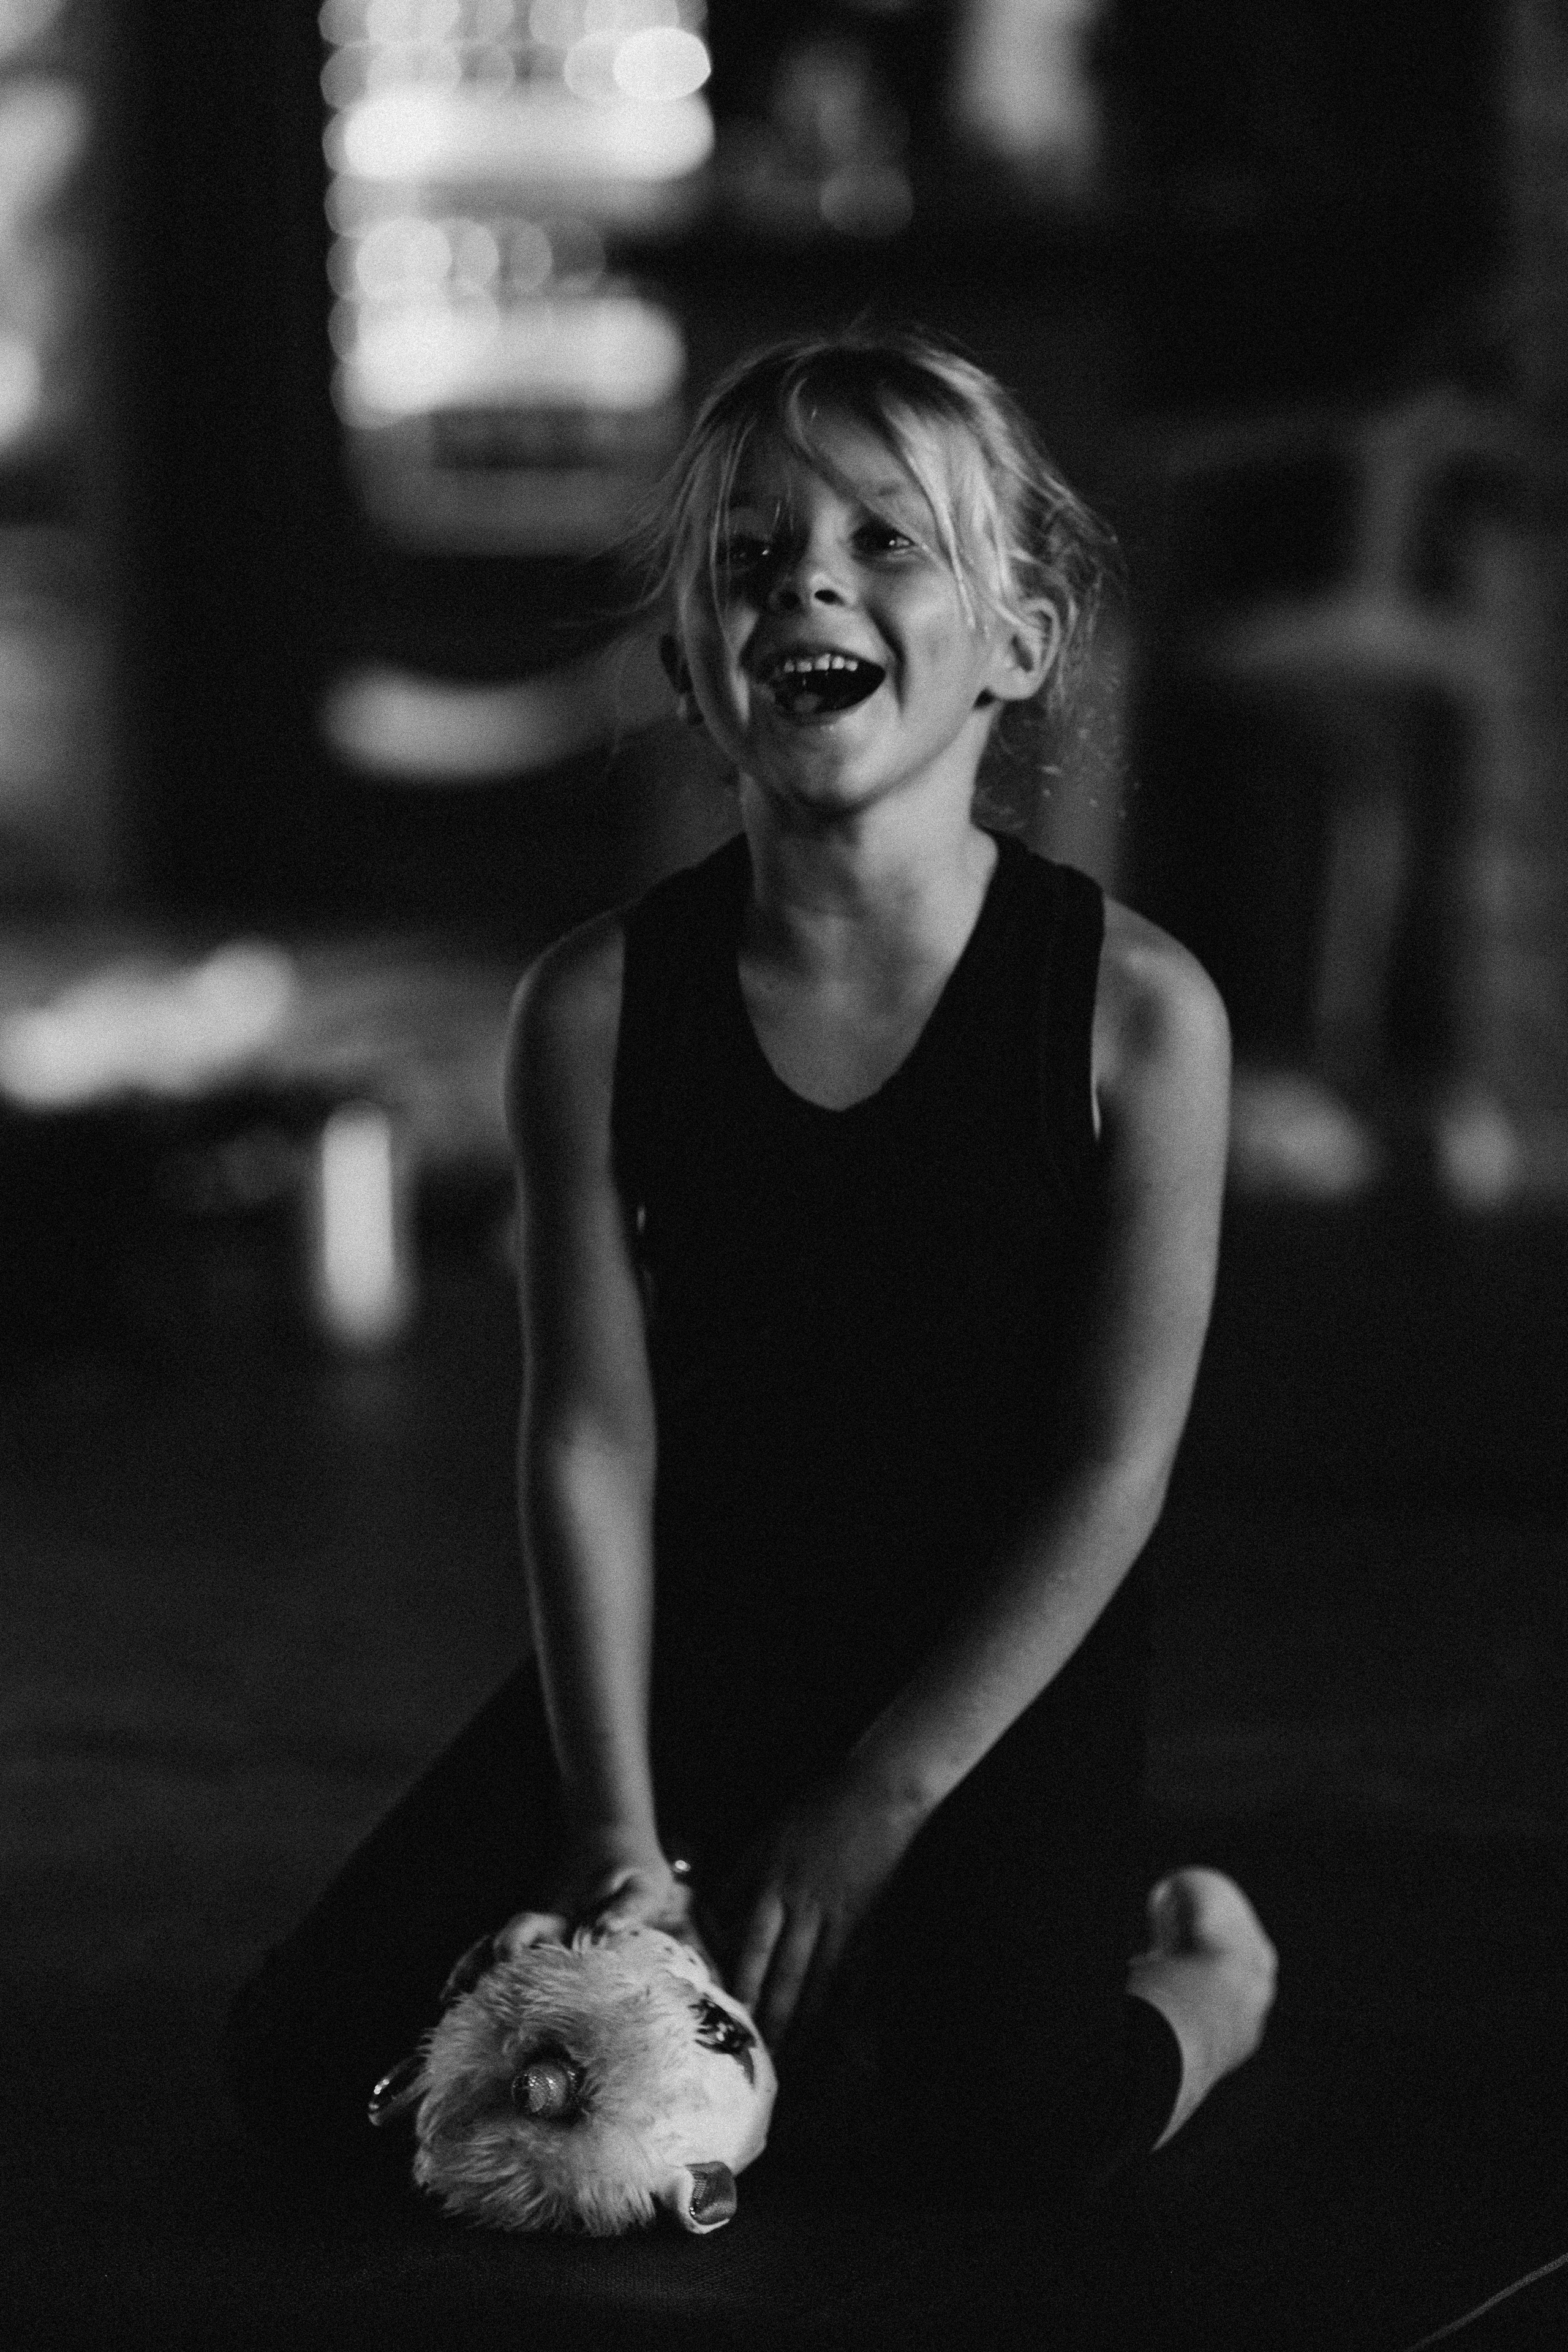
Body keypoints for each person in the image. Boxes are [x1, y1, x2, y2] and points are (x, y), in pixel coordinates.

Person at [228, 329, 1274, 2209]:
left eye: (888, 544)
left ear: (1019, 648)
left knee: (1009, 2132)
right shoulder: (596, 1006)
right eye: (752, 557)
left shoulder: (1138, 1016)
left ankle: (1213, 1981)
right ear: (693, 674)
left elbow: (1115, 1466)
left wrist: (878, 1807)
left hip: (991, 1654)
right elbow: (592, 1444)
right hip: (711, 1635)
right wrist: (616, 1827)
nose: (809, 579)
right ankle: (807, 1979)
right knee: (312, 2070)